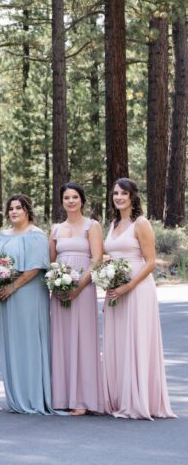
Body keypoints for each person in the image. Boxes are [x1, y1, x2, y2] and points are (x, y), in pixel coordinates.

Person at [101, 178, 176, 419]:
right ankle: (119, 397)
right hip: (115, 288)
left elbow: (151, 262)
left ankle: (139, 399)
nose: (119, 197)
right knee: (118, 341)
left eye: (123, 193)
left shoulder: (141, 223)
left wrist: (128, 286)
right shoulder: (113, 224)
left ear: (133, 196)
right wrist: (107, 277)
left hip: (137, 288)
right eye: (115, 194)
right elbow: (108, 255)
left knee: (136, 340)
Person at [0, 194, 53, 414]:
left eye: (19, 208)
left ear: (27, 210)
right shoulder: (1, 236)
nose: (14, 212)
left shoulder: (35, 235)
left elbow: (35, 268)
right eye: (11, 208)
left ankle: (33, 395)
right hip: (5, 294)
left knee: (29, 341)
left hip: (27, 292)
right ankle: (16, 396)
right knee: (12, 341)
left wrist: (12, 287)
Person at [49, 182, 103, 415]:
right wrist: (56, 283)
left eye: (75, 197)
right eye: (66, 198)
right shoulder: (55, 229)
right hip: (60, 290)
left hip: (83, 287)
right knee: (61, 339)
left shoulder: (92, 226)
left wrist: (79, 287)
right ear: (62, 202)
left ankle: (83, 399)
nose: (71, 201)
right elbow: (51, 261)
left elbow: (98, 259)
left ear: (82, 200)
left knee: (83, 339)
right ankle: (61, 396)